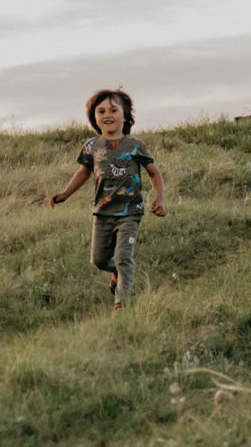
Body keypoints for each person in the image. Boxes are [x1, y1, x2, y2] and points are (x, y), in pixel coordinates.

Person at [46, 88, 167, 308]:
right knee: (99, 260)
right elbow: (83, 172)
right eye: (101, 111)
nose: (107, 115)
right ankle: (117, 273)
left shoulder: (135, 146)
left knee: (123, 257)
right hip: (102, 212)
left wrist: (158, 198)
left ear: (125, 115)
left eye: (113, 109)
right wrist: (65, 194)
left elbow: (154, 172)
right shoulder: (92, 146)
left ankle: (122, 303)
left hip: (130, 211)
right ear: (94, 118)